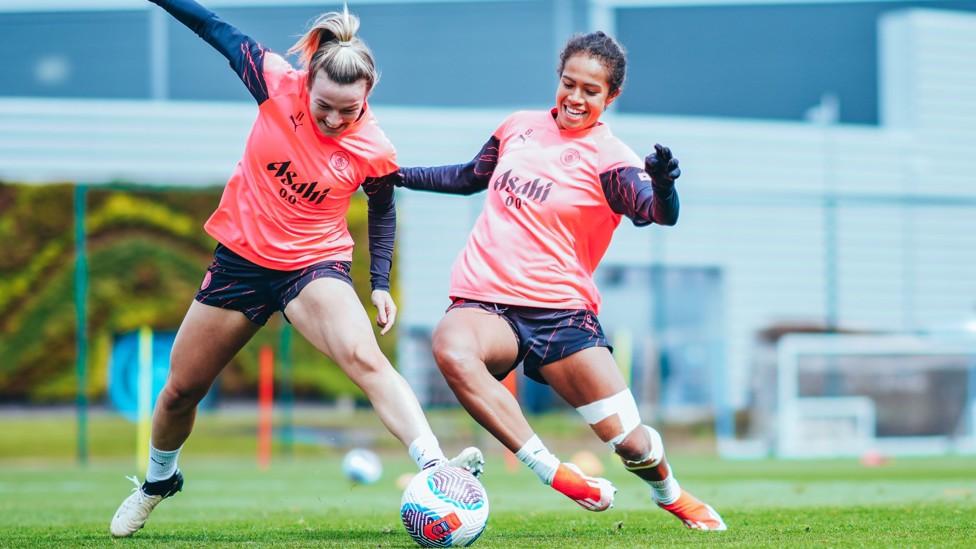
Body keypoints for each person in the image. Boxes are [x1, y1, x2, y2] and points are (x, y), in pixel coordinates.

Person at [110, 0, 483, 538]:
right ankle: (156, 482)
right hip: (241, 261)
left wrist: (379, 283)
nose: (334, 120)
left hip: (313, 263)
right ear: (307, 81)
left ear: (366, 99)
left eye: (348, 111)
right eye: (325, 106)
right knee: (180, 390)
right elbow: (211, 26)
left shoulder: (373, 148)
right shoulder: (272, 80)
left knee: (363, 356)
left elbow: (382, 208)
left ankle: (434, 466)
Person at [396, 31, 726, 530]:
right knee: (451, 347)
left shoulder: (610, 158)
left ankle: (671, 493)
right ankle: (554, 472)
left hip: (561, 317)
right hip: (486, 304)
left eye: (591, 91)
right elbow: (468, 176)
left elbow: (659, 213)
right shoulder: (518, 128)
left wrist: (663, 184)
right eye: (569, 84)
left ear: (610, 97)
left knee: (632, 444)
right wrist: (395, 174)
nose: (575, 98)